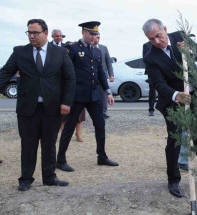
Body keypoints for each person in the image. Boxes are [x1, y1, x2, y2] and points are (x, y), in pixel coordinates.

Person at [142, 18, 197, 198]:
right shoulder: (150, 57)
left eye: (158, 36)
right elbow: (158, 83)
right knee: (175, 140)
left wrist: (190, 52)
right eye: (151, 39)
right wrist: (176, 95)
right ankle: (173, 179)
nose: (157, 41)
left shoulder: (181, 37)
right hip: (172, 101)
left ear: (165, 29)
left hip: (194, 96)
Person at [0, 19, 75, 191]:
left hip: (53, 108)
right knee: (28, 144)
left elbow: (70, 78)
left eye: (35, 32)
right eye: (29, 33)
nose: (32, 36)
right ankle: (26, 178)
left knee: (49, 144)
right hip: (27, 109)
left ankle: (49, 178)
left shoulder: (60, 52)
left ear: (46, 33)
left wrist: (66, 102)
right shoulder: (20, 52)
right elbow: (4, 74)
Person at [56, 21, 119, 172]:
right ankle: (60, 159)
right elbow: (63, 72)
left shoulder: (97, 51)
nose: (93, 36)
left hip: (94, 96)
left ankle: (102, 157)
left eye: (95, 34)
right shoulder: (72, 48)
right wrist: (64, 96)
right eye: (91, 33)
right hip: (76, 96)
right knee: (69, 127)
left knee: (100, 125)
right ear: (83, 33)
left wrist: (108, 92)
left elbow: (101, 74)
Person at [93, 33, 114, 119]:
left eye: (98, 37)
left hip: (103, 76)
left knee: (104, 94)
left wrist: (111, 74)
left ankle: (103, 111)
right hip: (92, 76)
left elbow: (108, 62)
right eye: (95, 37)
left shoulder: (103, 48)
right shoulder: (88, 48)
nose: (97, 39)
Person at [142, 42, 156, 116]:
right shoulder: (146, 45)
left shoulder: (163, 44)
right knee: (152, 91)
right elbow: (145, 58)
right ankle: (151, 109)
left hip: (163, 70)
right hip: (152, 71)